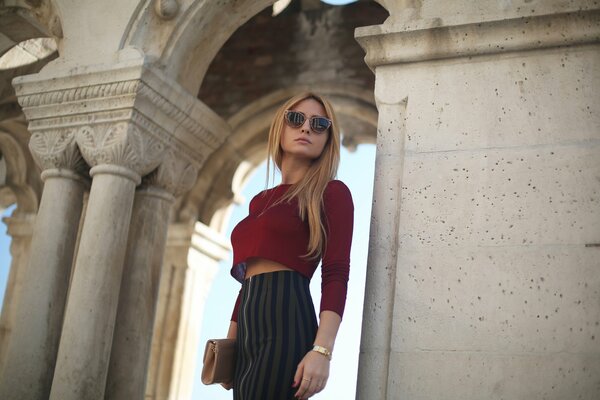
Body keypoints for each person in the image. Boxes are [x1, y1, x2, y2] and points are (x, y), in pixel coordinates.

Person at [222, 92, 354, 399]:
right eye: (296, 119)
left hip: (287, 322)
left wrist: (322, 351)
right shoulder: (260, 200)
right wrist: (230, 344)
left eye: (319, 124)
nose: (306, 128)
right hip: (248, 332)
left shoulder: (332, 193)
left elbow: (336, 273)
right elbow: (247, 282)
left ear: (327, 139)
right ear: (279, 129)